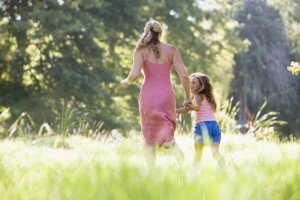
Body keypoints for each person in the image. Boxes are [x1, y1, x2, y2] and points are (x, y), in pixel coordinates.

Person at [120, 19, 191, 167]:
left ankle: (152, 174)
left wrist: (126, 82)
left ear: (146, 32)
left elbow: (134, 76)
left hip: (149, 96)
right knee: (165, 127)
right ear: (160, 33)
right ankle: (172, 146)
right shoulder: (171, 50)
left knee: (149, 137)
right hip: (167, 95)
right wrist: (187, 98)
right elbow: (184, 75)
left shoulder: (141, 50)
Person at [176, 73, 226, 167]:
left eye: (194, 83)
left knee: (198, 156)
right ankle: (227, 169)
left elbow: (197, 108)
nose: (190, 85)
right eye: (190, 82)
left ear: (201, 85)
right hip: (214, 127)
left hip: (203, 127)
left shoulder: (198, 96)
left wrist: (190, 106)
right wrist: (174, 111)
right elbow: (187, 109)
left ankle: (194, 175)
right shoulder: (209, 97)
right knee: (215, 154)